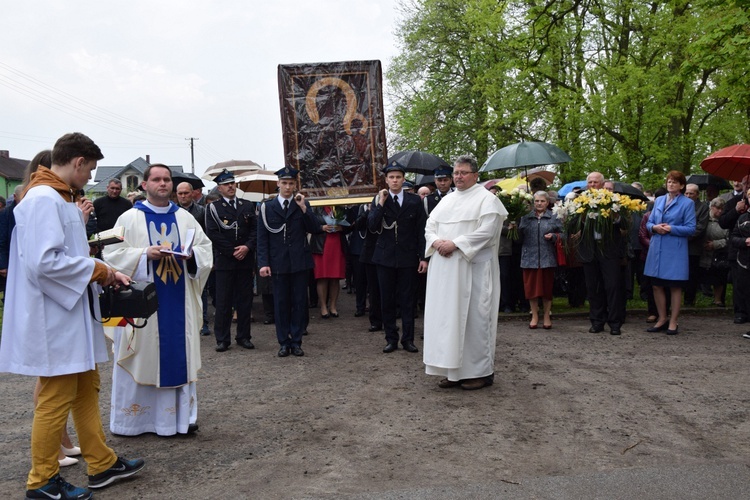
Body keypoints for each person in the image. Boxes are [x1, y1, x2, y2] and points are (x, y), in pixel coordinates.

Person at [0, 132, 144, 499]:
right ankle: (42, 480)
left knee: (85, 388)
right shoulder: (42, 199)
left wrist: (100, 268)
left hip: (69, 312)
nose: (90, 178)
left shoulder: (60, 198)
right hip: (54, 317)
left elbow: (66, 254)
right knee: (56, 396)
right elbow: (44, 262)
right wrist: (100, 271)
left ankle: (100, 462)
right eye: (90, 169)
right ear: (77, 162)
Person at [104, 164, 212, 436]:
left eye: (167, 179)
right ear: (144, 185)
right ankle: (135, 422)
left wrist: (191, 258)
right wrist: (143, 255)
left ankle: (178, 421)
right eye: (156, 179)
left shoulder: (186, 219)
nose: (163, 183)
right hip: (144, 304)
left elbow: (205, 250)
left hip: (179, 299)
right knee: (143, 353)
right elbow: (112, 255)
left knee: (178, 350)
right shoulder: (128, 218)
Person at [423, 155, 507, 390]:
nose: (458, 177)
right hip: (445, 270)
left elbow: (487, 232)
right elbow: (430, 226)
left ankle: (478, 373)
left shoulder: (486, 199)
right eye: (456, 173)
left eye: (463, 173)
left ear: (475, 175)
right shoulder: (447, 200)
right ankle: (452, 372)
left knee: (473, 320)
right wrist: (438, 242)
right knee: (447, 320)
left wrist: (456, 243)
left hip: (473, 269)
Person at [257, 166, 321, 357]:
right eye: (284, 183)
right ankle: (283, 341)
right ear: (278, 184)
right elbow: (262, 238)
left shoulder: (302, 205)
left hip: (299, 262)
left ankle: (297, 340)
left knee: (300, 302)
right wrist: (263, 263)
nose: (287, 187)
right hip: (278, 263)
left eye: (291, 183)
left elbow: (315, 228)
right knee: (281, 303)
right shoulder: (267, 207)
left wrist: (304, 209)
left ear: (295, 185)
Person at [368, 161, 428, 353]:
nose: (395, 181)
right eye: (391, 177)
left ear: (403, 179)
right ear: (386, 180)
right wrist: (380, 204)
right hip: (384, 257)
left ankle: (408, 339)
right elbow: (372, 226)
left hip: (408, 257)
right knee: (387, 299)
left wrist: (423, 257)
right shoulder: (379, 200)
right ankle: (391, 338)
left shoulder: (414, 201)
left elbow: (421, 230)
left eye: (398, 177)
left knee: (408, 300)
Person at [204, 169, 257, 352]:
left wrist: (247, 247)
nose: (230, 187)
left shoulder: (247, 205)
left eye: (232, 183)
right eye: (226, 184)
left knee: (245, 300)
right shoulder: (214, 208)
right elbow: (212, 233)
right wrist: (232, 251)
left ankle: (244, 336)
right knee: (224, 302)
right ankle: (222, 339)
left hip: (245, 260)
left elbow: (254, 231)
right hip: (225, 261)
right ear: (219, 188)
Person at [573, 172, 626, 335]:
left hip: (609, 250)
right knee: (593, 288)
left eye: (595, 182)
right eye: (589, 182)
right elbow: (573, 225)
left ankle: (615, 323)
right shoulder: (580, 201)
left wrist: (615, 216)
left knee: (612, 287)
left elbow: (625, 223)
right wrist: (580, 219)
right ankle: (597, 321)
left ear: (602, 184)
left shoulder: (614, 200)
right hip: (590, 250)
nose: (592, 184)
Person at [644, 170, 696, 335]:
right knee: (656, 285)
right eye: (669, 181)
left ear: (681, 185)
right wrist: (654, 227)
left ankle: (673, 321)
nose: (670, 184)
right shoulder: (658, 200)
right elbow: (649, 222)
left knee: (675, 286)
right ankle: (661, 318)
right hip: (657, 248)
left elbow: (691, 228)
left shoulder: (687, 203)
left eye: (674, 182)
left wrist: (671, 229)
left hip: (675, 249)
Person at [518, 191, 562, 329]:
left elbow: (564, 233)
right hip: (529, 257)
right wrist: (515, 228)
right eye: (536, 201)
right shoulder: (525, 217)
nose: (539, 204)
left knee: (546, 289)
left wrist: (554, 236)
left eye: (542, 201)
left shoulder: (554, 217)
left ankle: (547, 315)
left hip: (547, 258)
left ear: (547, 202)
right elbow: (518, 238)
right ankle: (535, 315)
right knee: (531, 289)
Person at [176, 181, 211, 336]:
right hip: (177, 257)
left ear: (192, 193)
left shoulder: (201, 211)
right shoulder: (172, 211)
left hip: (195, 256)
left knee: (200, 290)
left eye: (186, 193)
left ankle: (202, 322)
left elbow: (207, 235)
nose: (183, 196)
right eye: (180, 193)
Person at [718, 175, 750, 324]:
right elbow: (723, 223)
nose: (747, 186)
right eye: (746, 183)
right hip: (737, 248)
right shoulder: (733, 202)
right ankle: (740, 312)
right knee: (739, 283)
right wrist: (736, 211)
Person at [311, 206, 349, 318]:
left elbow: (351, 224)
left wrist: (342, 228)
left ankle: (333, 306)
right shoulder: (315, 207)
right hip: (321, 245)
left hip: (337, 243)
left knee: (335, 277)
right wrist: (322, 227)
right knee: (322, 276)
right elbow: (309, 225)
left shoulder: (339, 206)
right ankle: (323, 306)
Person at [683, 183, 709, 306]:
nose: (688, 196)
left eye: (691, 193)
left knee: (692, 274)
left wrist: (684, 237)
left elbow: (700, 227)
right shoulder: (680, 205)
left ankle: (689, 300)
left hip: (693, 247)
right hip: (678, 246)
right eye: (686, 193)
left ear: (697, 194)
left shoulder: (702, 207)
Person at [701, 197, 729, 307]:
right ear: (712, 207)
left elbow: (729, 238)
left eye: (722, 209)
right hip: (703, 251)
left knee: (719, 277)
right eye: (718, 208)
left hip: (719, 253)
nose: (720, 211)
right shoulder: (704, 218)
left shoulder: (725, 221)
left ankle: (718, 299)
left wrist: (715, 244)